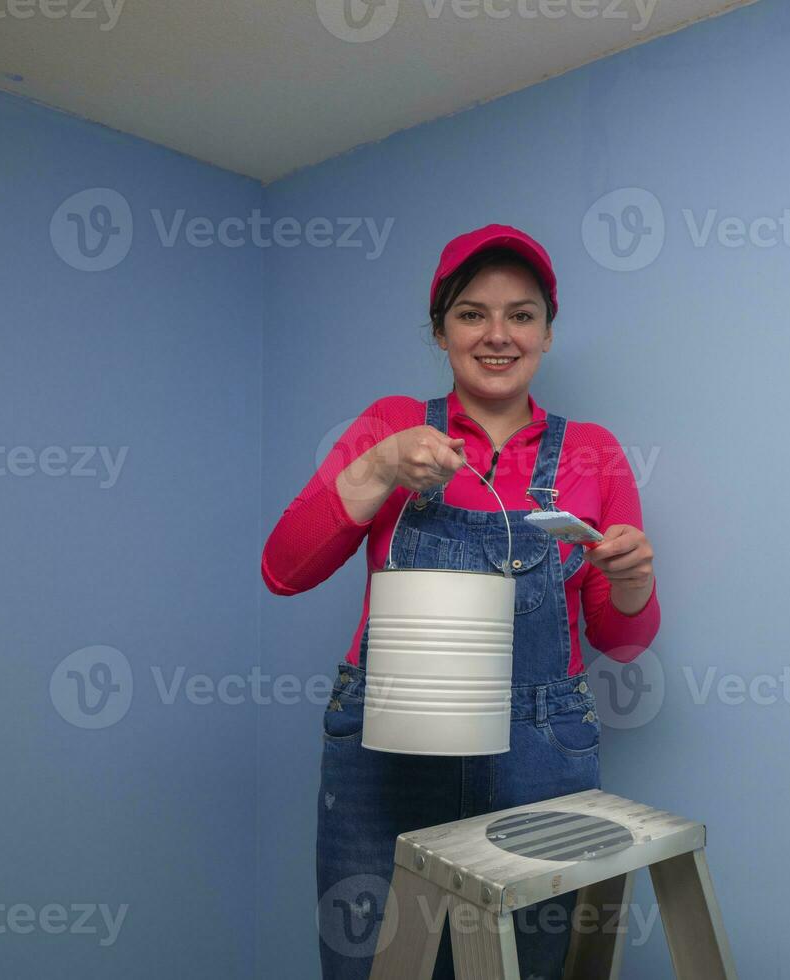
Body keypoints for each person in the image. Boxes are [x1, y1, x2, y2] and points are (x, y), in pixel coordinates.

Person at [261, 224, 659, 979]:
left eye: (522, 313)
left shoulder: (594, 453)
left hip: (540, 750)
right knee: (374, 962)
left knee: (528, 964)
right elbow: (283, 571)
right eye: (473, 313)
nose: (498, 334)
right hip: (391, 740)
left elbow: (624, 641)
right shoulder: (391, 426)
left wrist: (633, 581)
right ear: (440, 329)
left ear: (547, 331)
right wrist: (379, 464)